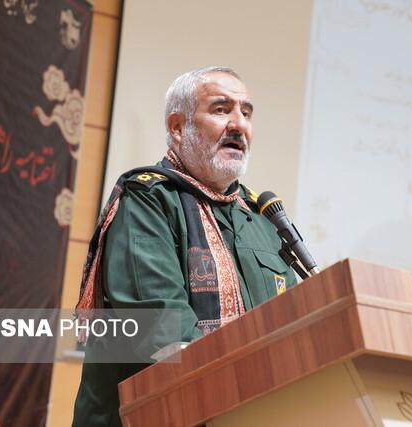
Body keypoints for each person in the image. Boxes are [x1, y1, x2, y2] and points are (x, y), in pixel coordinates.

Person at [71, 66, 297, 426]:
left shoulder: (260, 218)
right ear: (178, 127)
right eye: (221, 109)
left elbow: (293, 322)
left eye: (246, 112)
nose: (238, 124)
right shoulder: (147, 201)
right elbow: (162, 327)